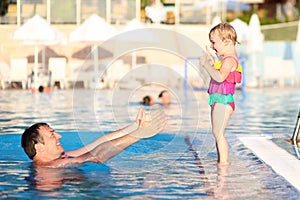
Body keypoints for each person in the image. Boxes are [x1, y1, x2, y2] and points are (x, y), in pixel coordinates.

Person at [21, 107, 167, 168]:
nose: (59, 135)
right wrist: (139, 134)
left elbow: (97, 144)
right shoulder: (50, 167)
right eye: (52, 134)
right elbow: (95, 156)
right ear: (39, 147)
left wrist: (134, 126)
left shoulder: (62, 157)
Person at [199, 22, 242, 166]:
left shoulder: (229, 60)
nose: (211, 46)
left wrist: (205, 65)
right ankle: (222, 161)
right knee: (217, 133)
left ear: (227, 41)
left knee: (219, 134)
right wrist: (211, 61)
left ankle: (223, 164)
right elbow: (218, 73)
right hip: (219, 99)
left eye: (213, 42)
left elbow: (219, 77)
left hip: (223, 101)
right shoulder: (225, 60)